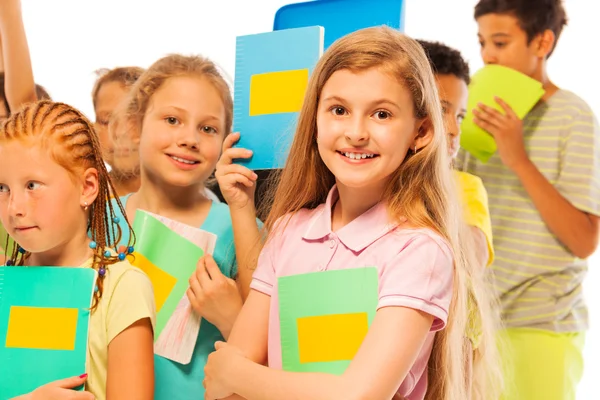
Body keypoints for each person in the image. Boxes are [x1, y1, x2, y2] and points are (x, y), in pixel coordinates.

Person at [203, 26, 481, 400]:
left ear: (422, 132)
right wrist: (236, 377)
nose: (356, 132)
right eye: (338, 109)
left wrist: (239, 375)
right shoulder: (288, 231)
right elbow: (220, 391)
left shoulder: (419, 251)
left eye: (381, 114)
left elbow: (358, 395)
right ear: (314, 119)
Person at [459, 1, 600, 398]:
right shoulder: (474, 113)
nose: (487, 55)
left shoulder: (573, 116)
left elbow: (583, 240)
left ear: (542, 42)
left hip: (542, 323)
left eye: (501, 42)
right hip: (479, 323)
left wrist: (517, 157)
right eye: (483, 41)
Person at [109, 54, 262, 399]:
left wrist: (232, 316)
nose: (190, 138)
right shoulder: (95, 222)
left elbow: (274, 355)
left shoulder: (241, 228)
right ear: (135, 125)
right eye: (172, 120)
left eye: (207, 128)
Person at [0, 100, 155, 399]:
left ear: (87, 187)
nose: (14, 207)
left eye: (32, 185)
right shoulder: (4, 284)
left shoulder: (121, 287)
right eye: (2, 188)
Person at [419, 39, 501, 399]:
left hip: (454, 362)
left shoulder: (465, 186)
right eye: (442, 109)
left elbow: (473, 257)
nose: (454, 128)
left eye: (461, 116)